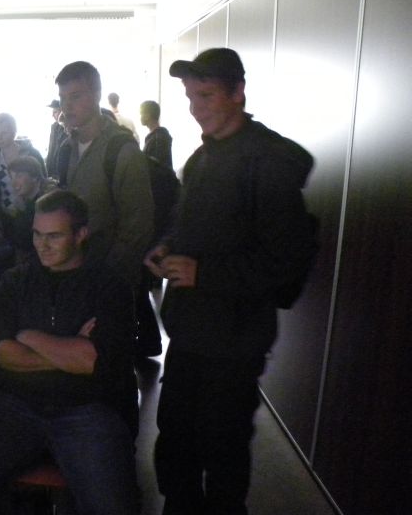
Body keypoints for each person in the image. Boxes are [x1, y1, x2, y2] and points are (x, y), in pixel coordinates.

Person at [145, 48, 315, 515]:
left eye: (206, 95)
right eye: (190, 97)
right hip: (189, 331)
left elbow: (286, 263)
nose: (195, 108)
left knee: (222, 448)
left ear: (238, 92)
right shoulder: (203, 157)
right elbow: (187, 224)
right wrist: (167, 245)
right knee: (176, 438)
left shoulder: (270, 163)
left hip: (235, 340)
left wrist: (203, 273)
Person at [0, 190, 140, 515]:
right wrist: (69, 350)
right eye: (36, 234)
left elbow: (97, 362)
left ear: (81, 234)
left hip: (89, 409)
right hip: (16, 405)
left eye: (54, 236)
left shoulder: (110, 286)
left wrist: (27, 336)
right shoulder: (15, 281)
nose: (41, 245)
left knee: (113, 507)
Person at [55, 61, 154, 291]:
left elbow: (138, 227)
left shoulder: (122, 150)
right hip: (74, 274)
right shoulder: (67, 148)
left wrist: (108, 276)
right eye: (62, 98)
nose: (67, 106)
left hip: (110, 282)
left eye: (75, 96)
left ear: (97, 95)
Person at [1, 155, 55, 263]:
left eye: (19, 176)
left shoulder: (49, 205)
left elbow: (25, 241)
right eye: (11, 177)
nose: (13, 183)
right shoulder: (27, 202)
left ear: (34, 177)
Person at [0, 112, 46, 214]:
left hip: (32, 210)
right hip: (3, 214)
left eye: (4, 133)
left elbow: (43, 182)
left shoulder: (31, 154)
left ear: (14, 132)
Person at [140, 100, 173, 169]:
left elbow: (156, 165)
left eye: (141, 113)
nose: (140, 117)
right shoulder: (158, 135)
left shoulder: (158, 138)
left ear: (148, 115)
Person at [45, 99, 68, 178]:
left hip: (64, 168)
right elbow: (51, 149)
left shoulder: (70, 127)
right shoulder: (54, 127)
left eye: (55, 112)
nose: (52, 115)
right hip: (52, 169)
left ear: (62, 111)